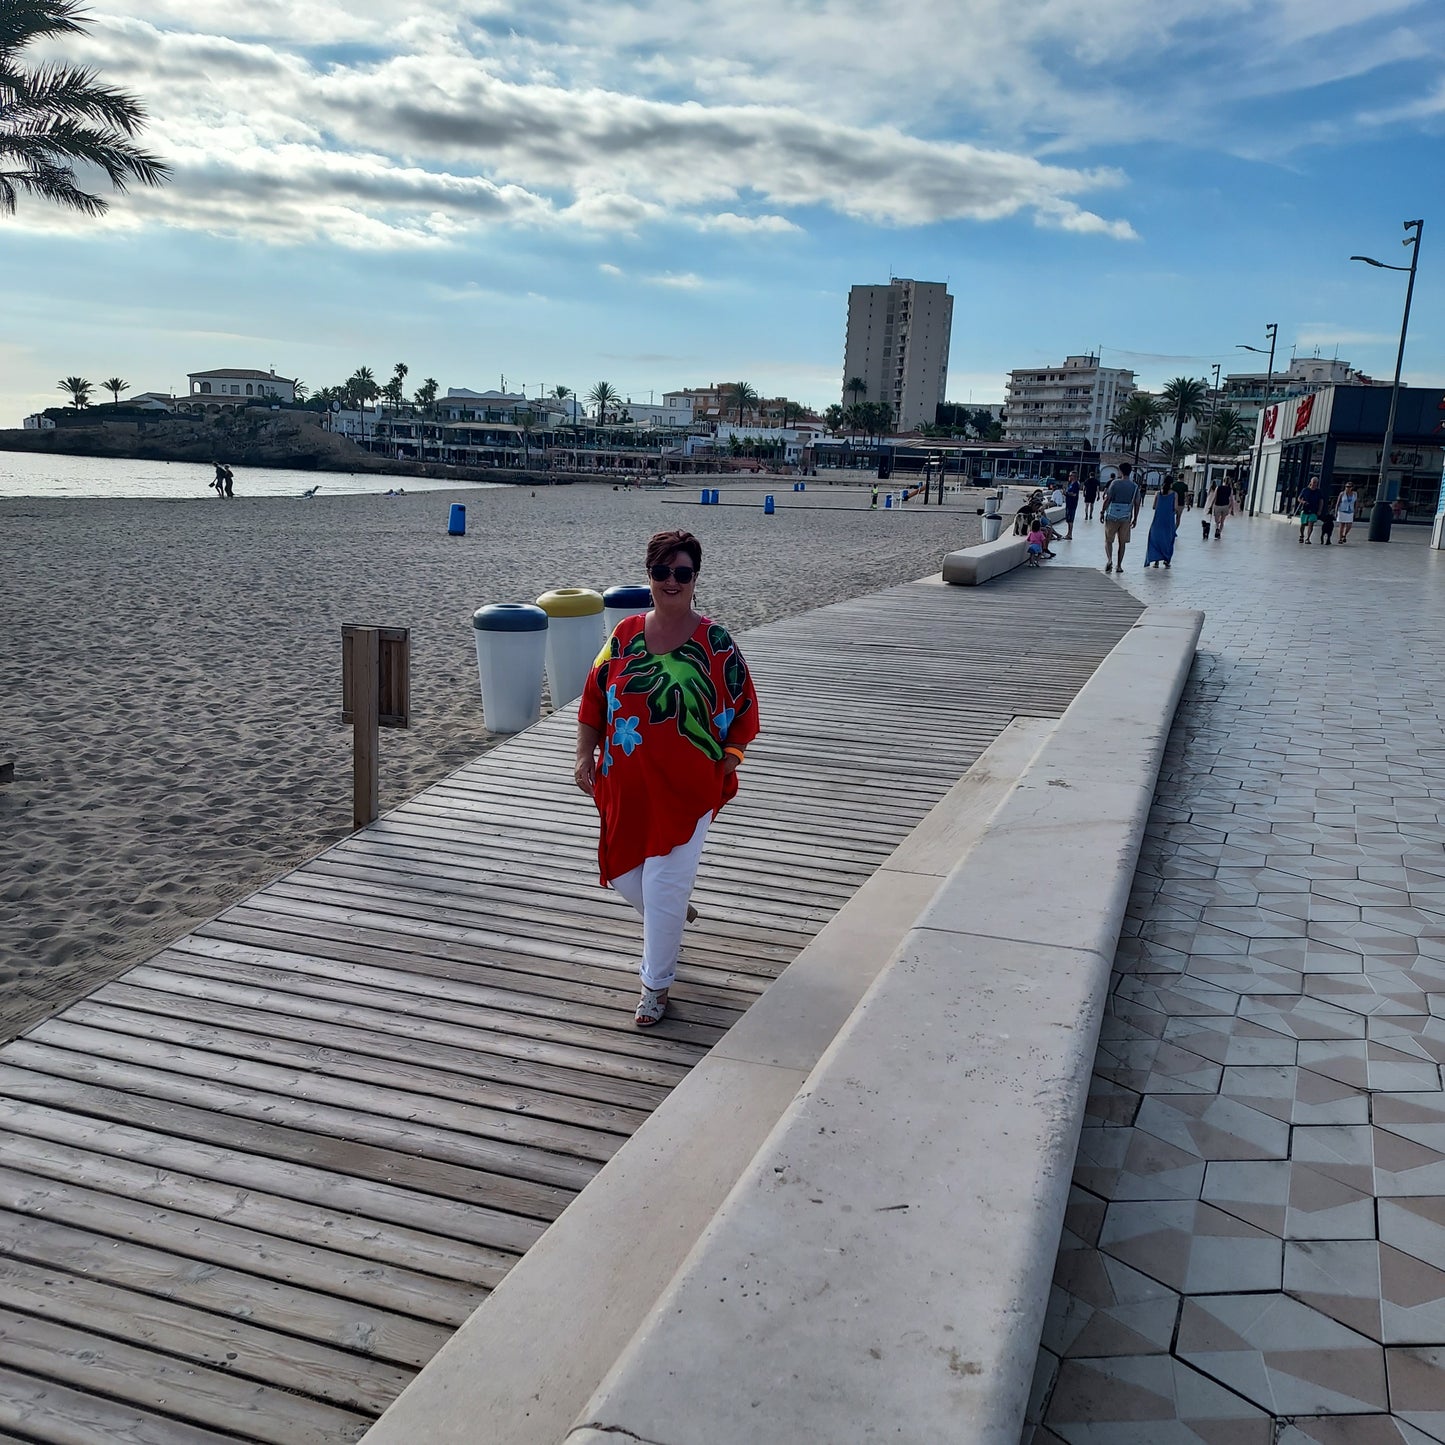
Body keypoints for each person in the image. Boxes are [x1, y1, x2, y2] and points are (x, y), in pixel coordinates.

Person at [576, 529, 760, 1028]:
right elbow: (594, 699)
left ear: (695, 579)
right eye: (662, 572)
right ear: (649, 577)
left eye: (682, 573)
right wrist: (582, 756)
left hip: (687, 792)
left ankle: (654, 988)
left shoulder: (716, 643)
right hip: (625, 786)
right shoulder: (624, 635)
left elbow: (745, 708)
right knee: (621, 872)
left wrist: (729, 757)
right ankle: (674, 911)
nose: (671, 581)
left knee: (661, 887)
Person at [1101, 462, 1139, 574]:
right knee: (1122, 542)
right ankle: (1119, 566)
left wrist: (1102, 511)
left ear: (1121, 471)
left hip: (1112, 515)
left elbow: (1107, 499)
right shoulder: (1134, 487)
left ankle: (1109, 560)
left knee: (1109, 540)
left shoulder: (1115, 483)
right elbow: (1137, 503)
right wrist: (1135, 518)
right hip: (1126, 517)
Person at [1145, 478, 1180, 568]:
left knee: (1155, 539)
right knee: (1168, 540)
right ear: (1171, 484)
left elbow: (1154, 506)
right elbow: (1175, 508)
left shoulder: (1157, 493)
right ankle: (1167, 560)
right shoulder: (1175, 494)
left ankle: (1156, 560)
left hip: (1158, 520)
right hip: (1168, 520)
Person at [1297, 478, 1323, 544]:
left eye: (1315, 483)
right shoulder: (1305, 490)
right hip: (1305, 509)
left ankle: (1308, 538)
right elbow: (1299, 498)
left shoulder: (1318, 491)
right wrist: (1303, 502)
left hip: (1314, 510)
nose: (1314, 484)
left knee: (1310, 524)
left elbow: (1321, 501)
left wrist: (1319, 510)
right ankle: (1302, 535)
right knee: (1302, 524)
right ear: (1310, 482)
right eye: (1313, 482)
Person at [1064, 472, 1080, 539]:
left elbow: (1074, 494)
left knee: (1070, 519)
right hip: (1068, 503)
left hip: (1072, 504)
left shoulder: (1076, 484)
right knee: (1068, 519)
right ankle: (1068, 533)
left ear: (1074, 476)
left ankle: (1070, 534)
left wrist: (1066, 493)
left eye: (1070, 475)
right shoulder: (1070, 484)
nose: (1069, 476)